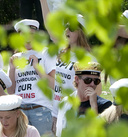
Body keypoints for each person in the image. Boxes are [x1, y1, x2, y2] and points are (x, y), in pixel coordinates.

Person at [39, 0, 102, 133]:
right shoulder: (63, 51)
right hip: (58, 111)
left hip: (75, 114)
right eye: (66, 27)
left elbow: (98, 91)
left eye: (71, 29)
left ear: (81, 33)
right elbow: (50, 27)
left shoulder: (88, 59)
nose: (67, 31)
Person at [8, 19, 56, 135]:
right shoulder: (15, 58)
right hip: (20, 111)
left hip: (41, 110)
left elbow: (55, 85)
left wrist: (37, 68)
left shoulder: (46, 53)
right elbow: (10, 91)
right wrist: (12, 69)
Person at [56, 62, 112, 137]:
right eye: (88, 80)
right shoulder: (66, 102)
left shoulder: (105, 106)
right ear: (77, 79)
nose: (92, 84)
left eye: (96, 81)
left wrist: (94, 106)